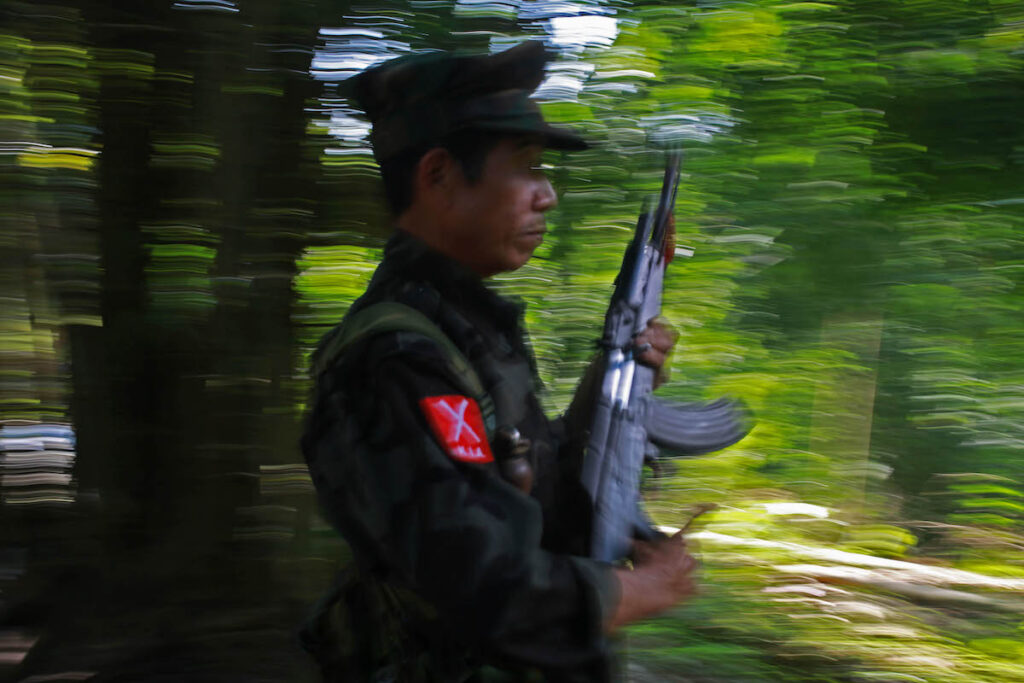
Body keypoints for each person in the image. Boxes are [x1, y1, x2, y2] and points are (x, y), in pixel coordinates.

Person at [300, 41, 697, 682]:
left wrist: (618, 381)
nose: (548, 196)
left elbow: (532, 506)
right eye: (528, 168)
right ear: (439, 177)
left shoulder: (466, 332)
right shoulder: (397, 357)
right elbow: (485, 585)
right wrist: (644, 590)